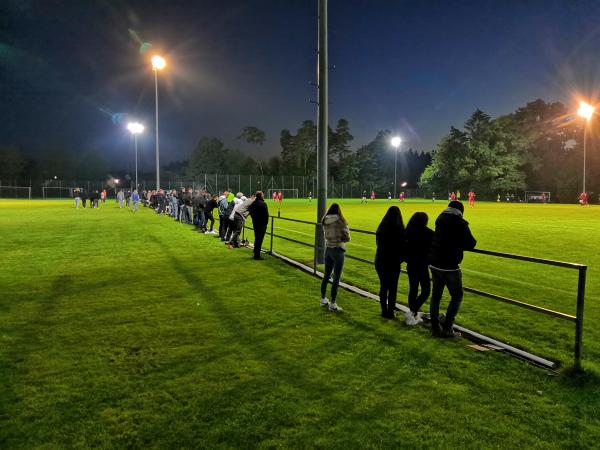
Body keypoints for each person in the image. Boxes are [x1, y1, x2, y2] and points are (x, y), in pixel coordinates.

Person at [428, 201, 476, 338]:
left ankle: (435, 327)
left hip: (435, 264)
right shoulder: (460, 223)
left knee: (436, 296)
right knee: (457, 296)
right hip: (450, 267)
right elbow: (471, 243)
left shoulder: (440, 218)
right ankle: (448, 327)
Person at [374, 206, 405, 319]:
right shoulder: (400, 230)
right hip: (393, 262)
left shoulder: (381, 228)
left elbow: (378, 244)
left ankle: (384, 311)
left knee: (384, 286)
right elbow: (402, 248)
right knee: (392, 288)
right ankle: (390, 312)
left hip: (380, 260)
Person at [405, 212, 434, 325]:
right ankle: (412, 312)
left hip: (411, 264)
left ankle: (412, 313)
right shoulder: (429, 233)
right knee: (426, 291)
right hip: (422, 265)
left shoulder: (408, 232)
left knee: (413, 289)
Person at [320, 203, 350, 312]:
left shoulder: (325, 220)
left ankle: (323, 299)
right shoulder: (341, 221)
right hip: (338, 250)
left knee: (326, 275)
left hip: (328, 249)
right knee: (336, 278)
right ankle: (332, 303)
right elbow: (347, 237)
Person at [249, 191, 269, 260]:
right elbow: (266, 215)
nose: (263, 195)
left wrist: (254, 219)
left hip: (255, 223)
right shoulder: (263, 204)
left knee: (257, 238)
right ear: (260, 196)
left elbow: (250, 211)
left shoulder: (253, 203)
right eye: (262, 194)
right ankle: (257, 255)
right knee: (259, 239)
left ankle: (255, 252)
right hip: (262, 224)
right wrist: (265, 223)